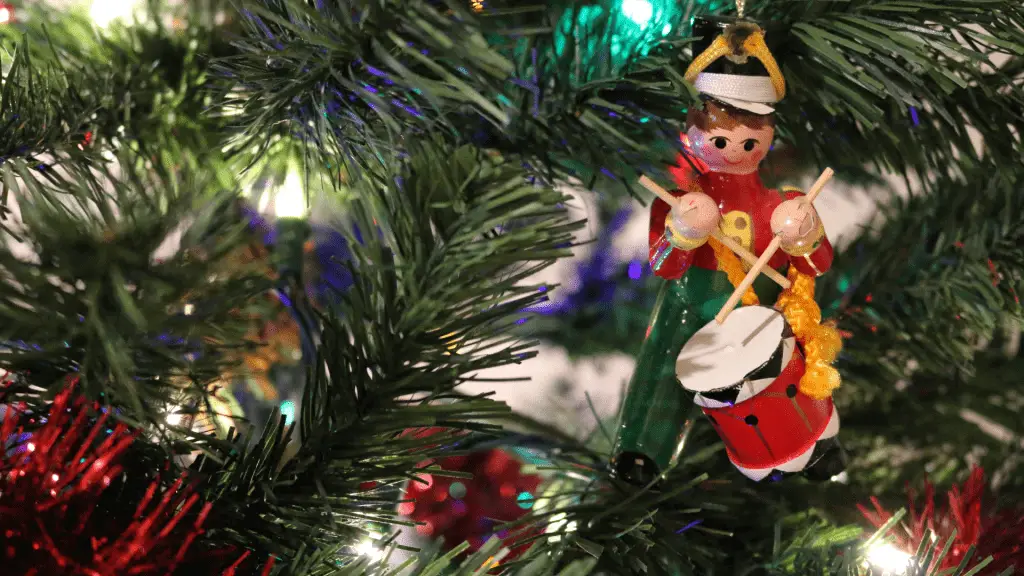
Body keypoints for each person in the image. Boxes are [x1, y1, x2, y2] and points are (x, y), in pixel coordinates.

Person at [611, 17, 841, 485]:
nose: (735, 148)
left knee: (794, 362)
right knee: (661, 365)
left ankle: (816, 441)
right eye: (720, 140)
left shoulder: (781, 203)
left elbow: (818, 264)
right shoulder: (673, 203)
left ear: (767, 140)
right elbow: (665, 266)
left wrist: (803, 235)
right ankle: (642, 451)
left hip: (762, 310)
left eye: (750, 141)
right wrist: (683, 231)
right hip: (689, 306)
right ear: (692, 136)